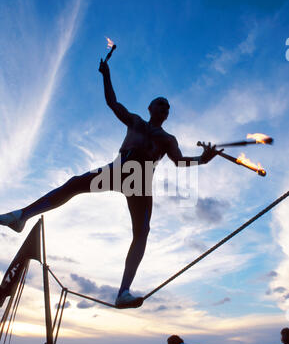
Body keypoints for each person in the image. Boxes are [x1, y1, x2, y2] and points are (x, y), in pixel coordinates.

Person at [0, 58, 221, 309]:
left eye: (168, 108)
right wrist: (106, 74)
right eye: (161, 104)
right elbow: (112, 103)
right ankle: (22, 216)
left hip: (140, 179)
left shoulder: (168, 139)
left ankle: (123, 291)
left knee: (142, 231)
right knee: (74, 184)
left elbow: (179, 162)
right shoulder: (135, 121)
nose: (165, 109)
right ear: (150, 107)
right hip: (120, 168)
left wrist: (202, 160)